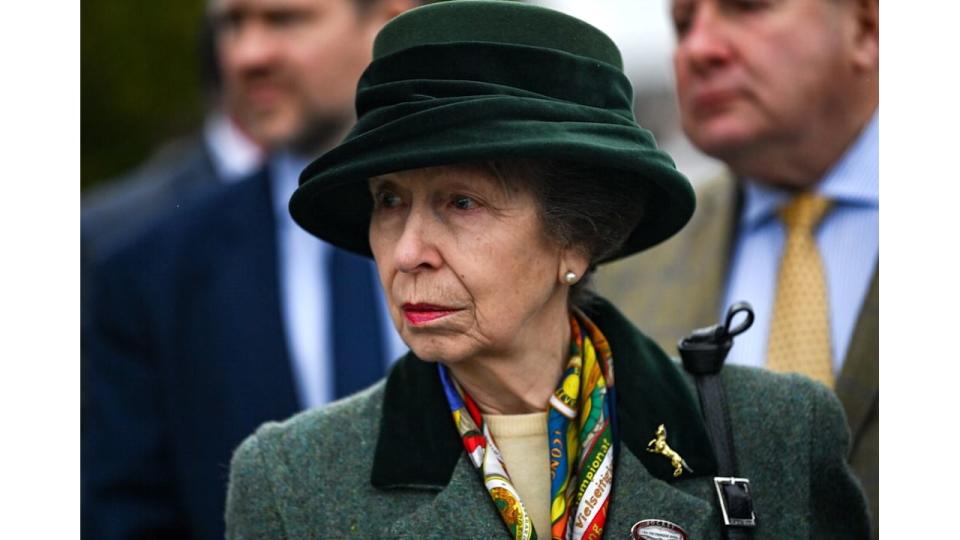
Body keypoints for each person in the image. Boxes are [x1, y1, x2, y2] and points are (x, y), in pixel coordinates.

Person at [224, 2, 870, 538]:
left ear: (576, 239)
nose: (406, 251)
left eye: (461, 202)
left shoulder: (773, 431)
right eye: (390, 201)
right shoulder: (292, 479)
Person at [81, 0, 419, 538]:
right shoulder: (146, 274)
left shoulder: (495, 240)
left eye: (285, 19)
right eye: (231, 24)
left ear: (386, 18)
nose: (246, 55)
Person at [596, 0, 879, 535]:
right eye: (682, 25)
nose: (698, 49)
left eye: (747, 8)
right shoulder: (622, 267)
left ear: (866, 27)